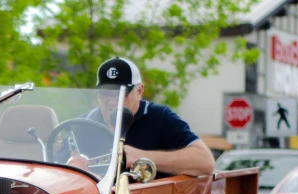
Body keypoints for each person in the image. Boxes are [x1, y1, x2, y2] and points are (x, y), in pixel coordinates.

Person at [86, 57, 215, 178]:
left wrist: (143, 156)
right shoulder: (85, 123)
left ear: (139, 91)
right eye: (105, 93)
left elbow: (205, 161)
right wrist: (74, 167)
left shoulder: (159, 117)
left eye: (121, 93)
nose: (113, 101)